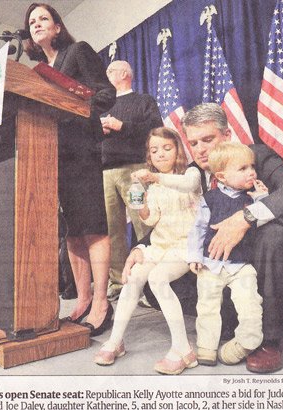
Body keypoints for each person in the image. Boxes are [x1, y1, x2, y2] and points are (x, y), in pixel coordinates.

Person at [125, 103, 283, 373]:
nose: (200, 149)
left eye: (208, 139)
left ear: (227, 135)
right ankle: (229, 320)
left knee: (274, 235)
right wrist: (141, 246)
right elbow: (174, 220)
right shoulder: (192, 174)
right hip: (220, 264)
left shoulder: (254, 157)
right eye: (193, 143)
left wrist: (246, 217)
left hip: (266, 257)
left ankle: (271, 338)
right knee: (154, 279)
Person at [24, 3, 116, 336]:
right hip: (53, 155)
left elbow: (105, 94)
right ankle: (83, 299)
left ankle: (102, 302)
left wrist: (74, 105)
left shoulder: (77, 52)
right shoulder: (36, 70)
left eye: (43, 19)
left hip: (81, 150)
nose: (37, 24)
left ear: (58, 26)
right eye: (32, 22)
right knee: (73, 232)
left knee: (92, 227)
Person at [94, 127, 202, 375]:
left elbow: (188, 185)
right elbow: (151, 219)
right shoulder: (154, 187)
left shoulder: (190, 173)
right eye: (154, 151)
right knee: (134, 276)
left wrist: (154, 177)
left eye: (167, 148)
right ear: (149, 156)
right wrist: (140, 205)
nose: (160, 154)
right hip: (161, 245)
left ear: (178, 150)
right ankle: (116, 341)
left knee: (158, 278)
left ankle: (183, 348)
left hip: (185, 245)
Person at [188, 142, 266, 366]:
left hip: (241, 265)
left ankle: (244, 343)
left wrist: (262, 198)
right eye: (243, 168)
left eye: (252, 166)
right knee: (207, 307)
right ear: (222, 176)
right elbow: (198, 228)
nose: (251, 172)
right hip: (210, 264)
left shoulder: (252, 199)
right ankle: (207, 347)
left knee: (251, 306)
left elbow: (264, 218)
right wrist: (194, 255)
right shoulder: (210, 199)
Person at [101, 60, 163, 301]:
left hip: (135, 171)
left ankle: (150, 285)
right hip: (106, 173)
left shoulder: (144, 101)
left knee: (144, 223)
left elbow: (156, 129)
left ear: (124, 74)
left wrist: (121, 126)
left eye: (110, 71)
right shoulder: (102, 105)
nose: (106, 75)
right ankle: (119, 282)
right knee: (111, 230)